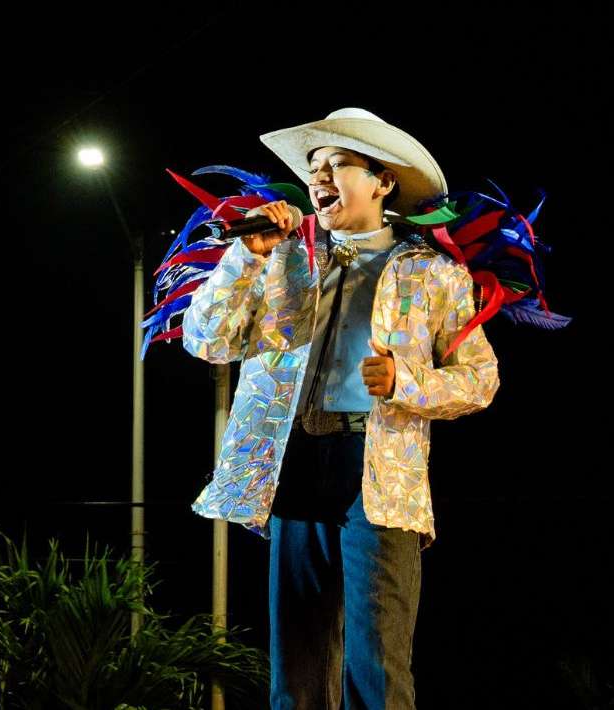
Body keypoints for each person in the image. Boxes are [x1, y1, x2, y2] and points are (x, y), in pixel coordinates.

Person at [179, 108, 501, 709]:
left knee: (377, 664)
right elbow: (206, 340)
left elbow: (480, 381)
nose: (319, 177)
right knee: (296, 665)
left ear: (383, 183)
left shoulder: (434, 274)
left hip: (378, 472)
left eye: (339, 163)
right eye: (314, 167)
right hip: (293, 460)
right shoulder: (285, 260)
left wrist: (405, 381)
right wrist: (246, 257)